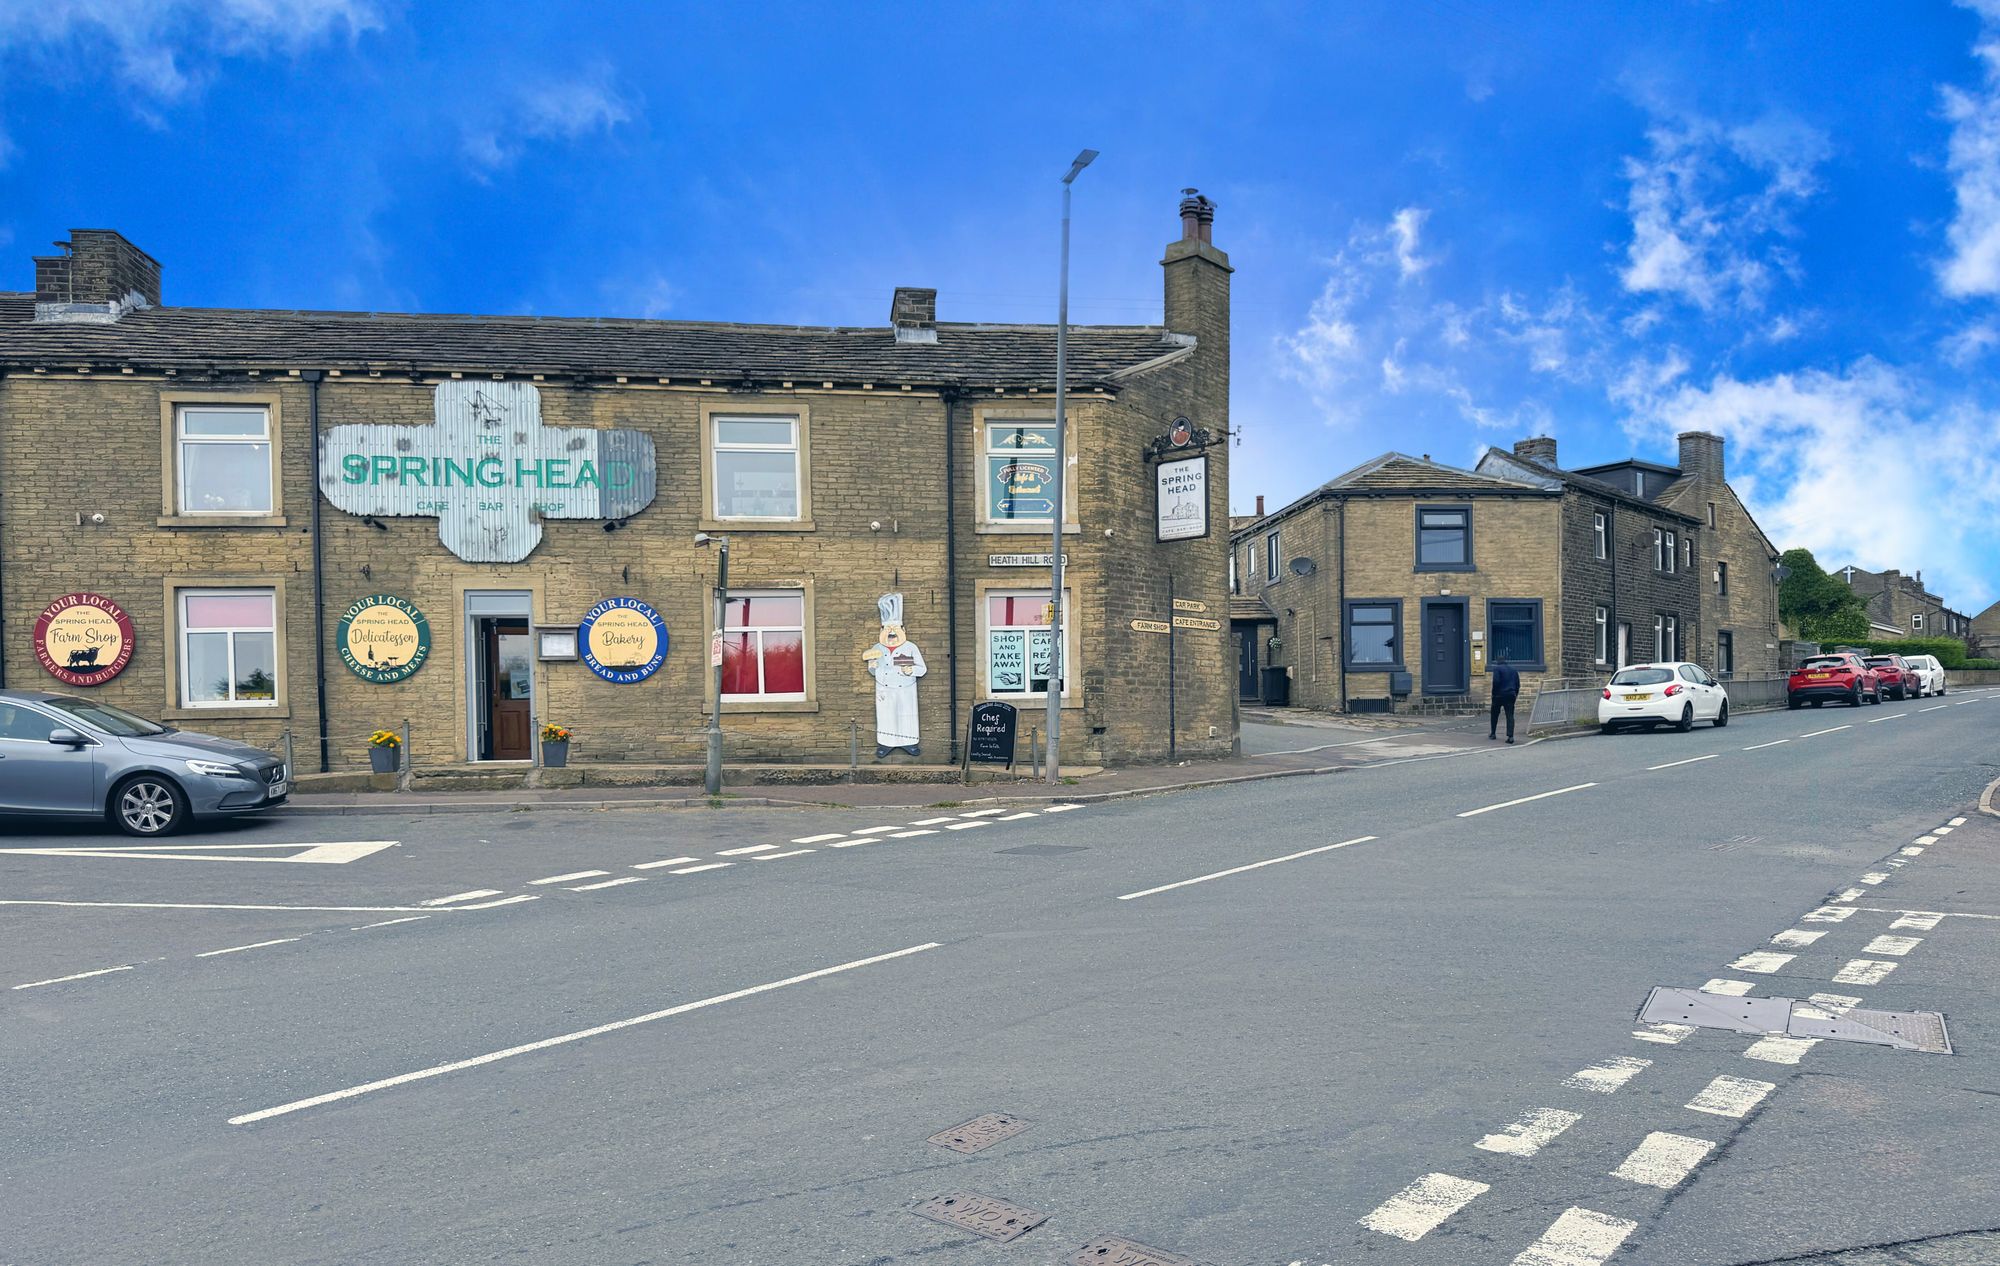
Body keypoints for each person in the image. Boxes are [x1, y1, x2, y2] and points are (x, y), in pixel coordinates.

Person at [1489, 655, 1520, 744]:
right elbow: (1517, 684)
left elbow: (1496, 682)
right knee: (1510, 715)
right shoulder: (1513, 670)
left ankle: (1493, 733)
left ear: (1498, 661)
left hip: (1499, 695)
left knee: (1494, 714)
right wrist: (1515, 694)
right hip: (1511, 694)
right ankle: (1510, 736)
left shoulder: (1497, 669)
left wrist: (1494, 694)